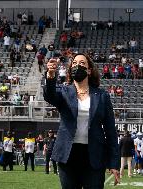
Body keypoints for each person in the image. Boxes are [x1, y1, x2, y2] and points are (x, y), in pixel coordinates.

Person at [44, 53, 120, 188]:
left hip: (94, 156)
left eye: (82, 63)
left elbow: (111, 131)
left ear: (89, 70)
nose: (77, 66)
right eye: (74, 63)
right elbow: (49, 95)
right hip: (67, 156)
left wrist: (114, 163)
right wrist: (50, 75)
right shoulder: (63, 92)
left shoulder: (102, 96)